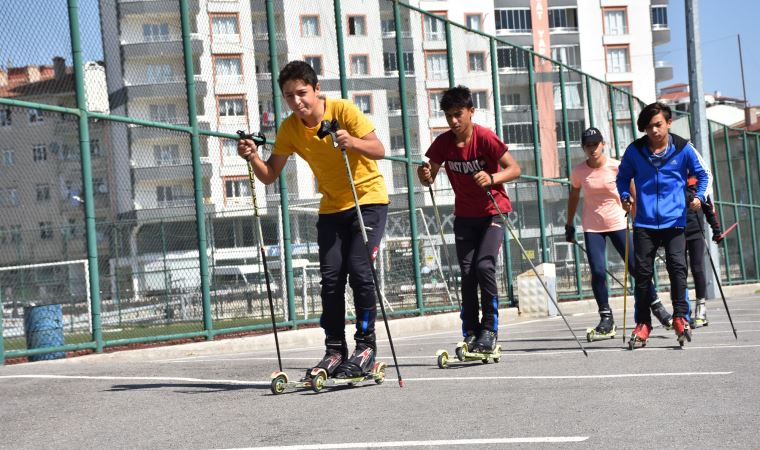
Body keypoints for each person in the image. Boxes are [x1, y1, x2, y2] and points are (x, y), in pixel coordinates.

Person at [237, 61, 388, 378]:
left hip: (367, 200)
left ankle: (366, 348)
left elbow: (378, 149)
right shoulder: (290, 128)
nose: (297, 102)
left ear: (317, 89)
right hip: (332, 208)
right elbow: (269, 175)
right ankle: (335, 350)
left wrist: (353, 141)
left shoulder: (342, 110)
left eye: (302, 93)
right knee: (331, 281)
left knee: (360, 272)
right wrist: (252, 157)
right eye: (289, 96)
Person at [417, 85, 521, 353]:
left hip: (493, 212)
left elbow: (515, 168)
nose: (453, 121)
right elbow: (431, 172)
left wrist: (492, 178)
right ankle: (471, 332)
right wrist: (425, 175)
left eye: (458, 114)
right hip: (464, 216)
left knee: (484, 266)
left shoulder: (485, 138)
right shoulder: (443, 143)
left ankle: (489, 330)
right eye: (448, 115)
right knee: (466, 273)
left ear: (471, 112)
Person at [616, 102, 710, 347]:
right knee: (643, 275)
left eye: (658, 124)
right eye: (649, 127)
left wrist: (699, 196)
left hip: (675, 220)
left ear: (668, 123)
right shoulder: (634, 151)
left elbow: (704, 174)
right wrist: (625, 196)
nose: (654, 131)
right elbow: (622, 177)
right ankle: (643, 324)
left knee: (678, 269)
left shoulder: (683, 148)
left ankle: (681, 318)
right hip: (645, 222)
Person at [565, 128, 670, 340]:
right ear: (583, 148)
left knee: (635, 268)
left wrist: (640, 221)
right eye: (588, 146)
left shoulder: (616, 166)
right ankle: (606, 319)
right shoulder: (578, 172)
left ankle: (657, 306)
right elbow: (574, 196)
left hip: (618, 222)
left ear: (603, 144)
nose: (593, 149)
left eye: (596, 144)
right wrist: (569, 224)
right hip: (592, 226)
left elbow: (632, 194)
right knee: (597, 271)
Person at [685, 175, 723, 327]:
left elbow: (708, 208)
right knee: (678, 270)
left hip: (695, 232)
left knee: (697, 268)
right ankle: (682, 312)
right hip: (675, 233)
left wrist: (717, 230)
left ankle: (701, 310)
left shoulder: (698, 182)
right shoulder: (670, 178)